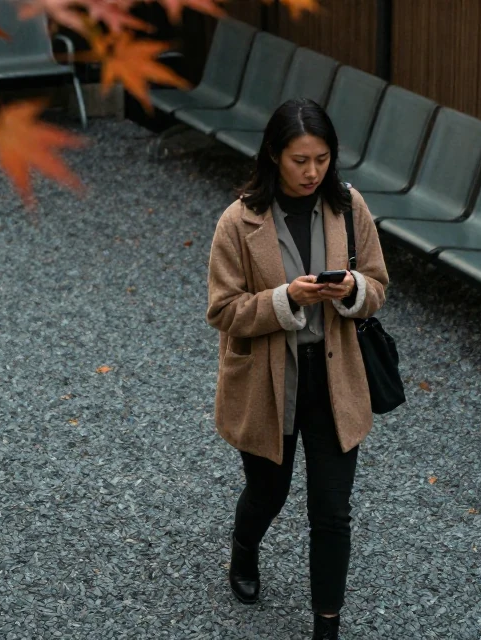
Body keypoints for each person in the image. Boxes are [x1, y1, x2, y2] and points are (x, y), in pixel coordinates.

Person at [205, 97, 389, 640]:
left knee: (332, 513)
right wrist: (286, 299)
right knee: (269, 493)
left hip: (336, 379)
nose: (313, 172)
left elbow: (377, 283)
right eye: (300, 160)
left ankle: (326, 627)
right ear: (273, 155)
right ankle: (244, 549)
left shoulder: (349, 207)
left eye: (323, 158)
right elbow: (222, 311)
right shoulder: (239, 221)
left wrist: (353, 289)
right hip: (268, 382)